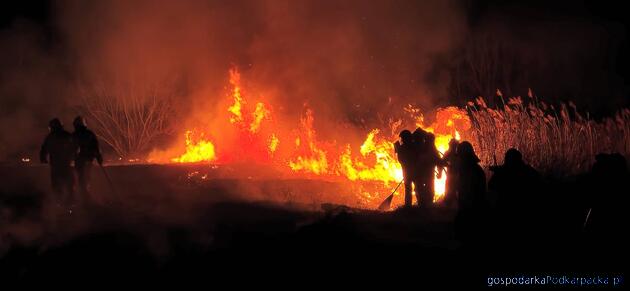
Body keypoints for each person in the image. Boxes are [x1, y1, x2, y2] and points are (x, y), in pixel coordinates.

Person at [453, 141, 487, 242]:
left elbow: (472, 192)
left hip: (472, 209)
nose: (459, 159)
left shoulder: (474, 171)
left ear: (465, 156)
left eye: (460, 156)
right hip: (468, 207)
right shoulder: (467, 169)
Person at [40, 118, 75, 206]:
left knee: (57, 187)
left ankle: (59, 205)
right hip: (67, 165)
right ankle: (70, 205)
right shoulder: (67, 135)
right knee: (69, 186)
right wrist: (74, 158)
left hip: (56, 166)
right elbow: (75, 148)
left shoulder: (50, 137)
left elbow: (44, 149)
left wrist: (43, 159)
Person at [72, 116, 103, 198]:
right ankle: (85, 196)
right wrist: (99, 157)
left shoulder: (74, 135)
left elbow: (70, 148)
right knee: (85, 179)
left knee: (81, 179)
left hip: (80, 161)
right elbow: (96, 147)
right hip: (88, 161)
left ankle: (85, 197)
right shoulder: (89, 134)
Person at [414, 130, 441, 208]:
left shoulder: (423, 148)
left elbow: (438, 162)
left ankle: (425, 205)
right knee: (423, 190)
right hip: (423, 174)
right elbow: (438, 162)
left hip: (425, 174)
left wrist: (439, 172)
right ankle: (425, 205)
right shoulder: (425, 149)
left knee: (424, 190)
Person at [394, 130, 416, 207]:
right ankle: (418, 205)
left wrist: (397, 147)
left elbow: (401, 160)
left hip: (408, 172)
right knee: (416, 189)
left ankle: (408, 206)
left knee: (409, 189)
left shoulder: (402, 148)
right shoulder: (414, 147)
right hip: (414, 171)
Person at [441, 138, 460, 208]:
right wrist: (448, 165)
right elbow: (442, 162)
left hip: (457, 177)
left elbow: (442, 162)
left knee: (455, 192)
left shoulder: (459, 154)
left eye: (454, 145)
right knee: (450, 192)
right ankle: (449, 206)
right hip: (451, 177)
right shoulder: (448, 153)